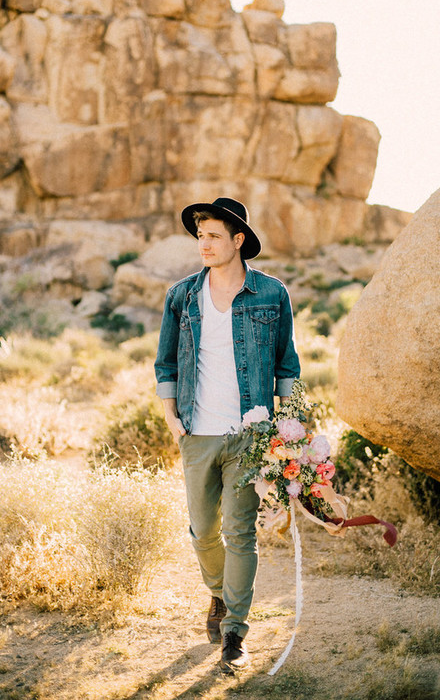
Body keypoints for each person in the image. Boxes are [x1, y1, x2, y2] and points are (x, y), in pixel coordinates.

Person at [154, 197, 300, 673]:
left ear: (238, 240)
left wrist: (289, 428)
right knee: (203, 532)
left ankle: (235, 631)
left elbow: (286, 365)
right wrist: (171, 417)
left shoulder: (271, 294)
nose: (204, 244)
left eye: (214, 236)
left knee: (240, 534)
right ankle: (218, 593)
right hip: (196, 432)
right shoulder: (181, 296)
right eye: (201, 236)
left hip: (249, 434)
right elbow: (166, 362)